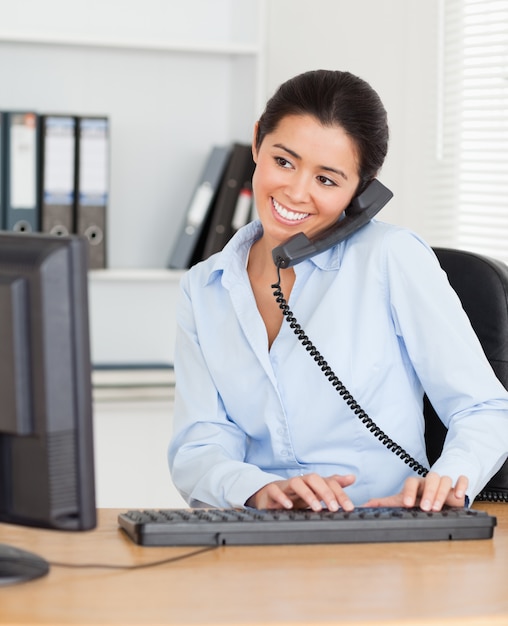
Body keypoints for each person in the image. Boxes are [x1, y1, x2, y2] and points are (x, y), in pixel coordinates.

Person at [168, 69, 508, 512]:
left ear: (362, 191)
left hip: (385, 534)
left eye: (327, 179)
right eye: (283, 161)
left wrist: (442, 484)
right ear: (257, 142)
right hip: (256, 539)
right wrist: (254, 488)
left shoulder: (390, 258)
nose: (295, 192)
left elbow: (483, 408)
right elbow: (199, 443)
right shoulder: (204, 286)